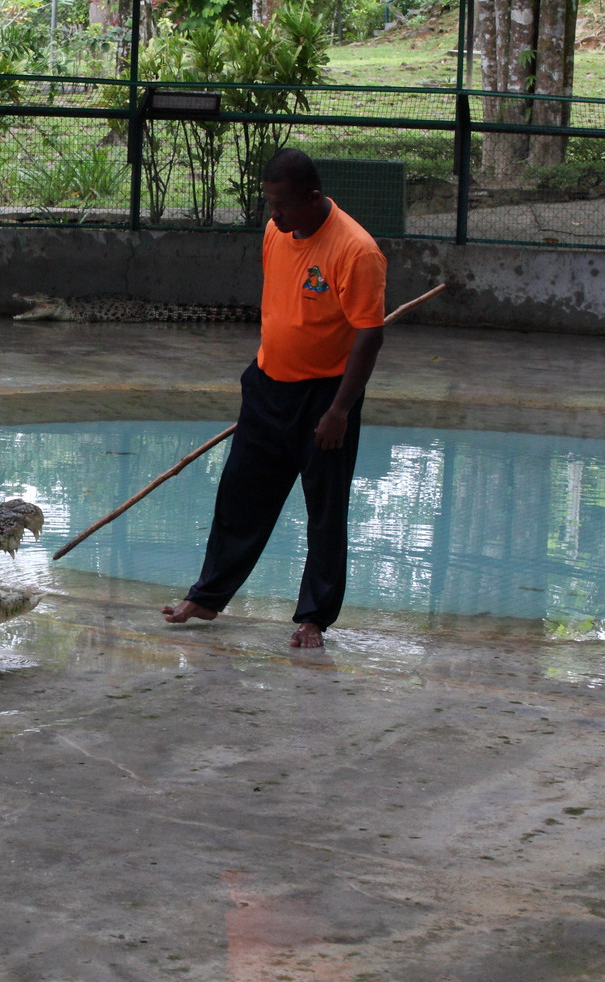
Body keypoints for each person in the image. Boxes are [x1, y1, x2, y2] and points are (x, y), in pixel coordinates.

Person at [162, 148, 386, 648]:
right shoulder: (275, 232)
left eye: (281, 204)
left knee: (324, 512)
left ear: (312, 197)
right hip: (267, 386)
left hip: (324, 399)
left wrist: (339, 411)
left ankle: (314, 618)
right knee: (239, 498)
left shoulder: (356, 251)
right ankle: (208, 596)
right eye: (269, 203)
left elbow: (369, 336)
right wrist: (265, 380)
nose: (273, 214)